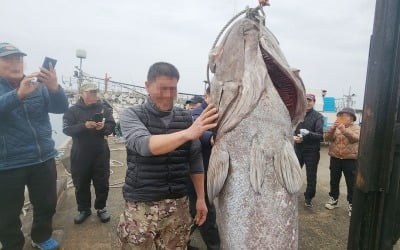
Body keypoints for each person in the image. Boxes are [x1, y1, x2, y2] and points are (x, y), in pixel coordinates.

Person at [117, 62, 218, 249]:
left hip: (178, 203)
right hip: (142, 204)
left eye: (173, 89)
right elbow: (144, 145)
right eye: (162, 88)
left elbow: (195, 159)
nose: (168, 95)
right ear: (147, 86)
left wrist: (201, 199)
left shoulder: (185, 117)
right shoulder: (131, 115)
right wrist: (188, 133)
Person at [0, 42, 68, 250]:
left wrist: (54, 88)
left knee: (46, 204)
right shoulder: (21, 88)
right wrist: (18, 95)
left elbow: (60, 107)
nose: (15, 63)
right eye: (8, 59)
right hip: (8, 162)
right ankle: (13, 246)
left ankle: (41, 236)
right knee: (8, 213)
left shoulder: (36, 84)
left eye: (19, 59)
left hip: (43, 157)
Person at [63, 83, 116, 224]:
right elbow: (67, 129)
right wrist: (84, 126)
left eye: (95, 93)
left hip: (100, 152)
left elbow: (112, 127)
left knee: (102, 182)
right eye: (90, 93)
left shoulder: (103, 109)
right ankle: (84, 209)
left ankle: (101, 208)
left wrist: (103, 127)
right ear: (81, 93)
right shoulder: (72, 111)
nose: (93, 96)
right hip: (80, 153)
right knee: (81, 182)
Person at [188, 86, 220, 250]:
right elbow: (195, 129)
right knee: (204, 211)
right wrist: (210, 138)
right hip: (197, 169)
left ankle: (182, 241)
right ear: (206, 96)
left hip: (207, 167)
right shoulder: (197, 113)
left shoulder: (216, 111)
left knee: (193, 211)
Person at [324, 107, 360, 216]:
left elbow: (355, 138)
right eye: (341, 115)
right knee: (334, 180)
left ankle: (352, 204)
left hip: (350, 160)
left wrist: (343, 129)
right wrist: (332, 129)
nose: (342, 117)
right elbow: (327, 138)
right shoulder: (336, 127)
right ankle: (334, 199)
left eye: (345, 116)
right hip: (335, 158)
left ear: (352, 118)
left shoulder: (356, 128)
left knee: (351, 182)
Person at [293, 94, 324, 207]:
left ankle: (308, 197)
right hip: (298, 149)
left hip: (312, 151)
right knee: (294, 172)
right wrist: (294, 137)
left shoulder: (318, 117)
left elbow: (320, 135)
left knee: (311, 175)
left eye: (310, 100)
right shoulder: (298, 114)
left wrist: (309, 133)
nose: (307, 102)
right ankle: (292, 192)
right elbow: (292, 129)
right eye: (305, 100)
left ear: (314, 102)